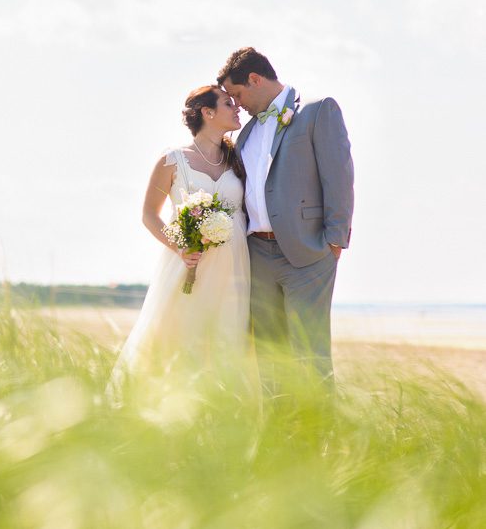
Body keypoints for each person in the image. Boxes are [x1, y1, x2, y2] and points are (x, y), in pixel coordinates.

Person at [217, 47, 354, 390]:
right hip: (257, 255)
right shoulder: (246, 133)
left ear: (254, 78)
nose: (237, 105)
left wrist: (335, 239)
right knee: (269, 356)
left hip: (307, 253)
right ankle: (279, 439)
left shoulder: (317, 110)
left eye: (237, 94)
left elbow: (338, 176)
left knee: (310, 353)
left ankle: (321, 439)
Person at [111, 86, 250, 382]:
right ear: (207, 112)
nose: (237, 107)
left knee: (227, 341)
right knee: (181, 340)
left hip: (235, 268)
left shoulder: (238, 159)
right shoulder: (173, 159)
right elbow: (149, 214)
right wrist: (180, 248)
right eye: (228, 103)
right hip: (190, 266)